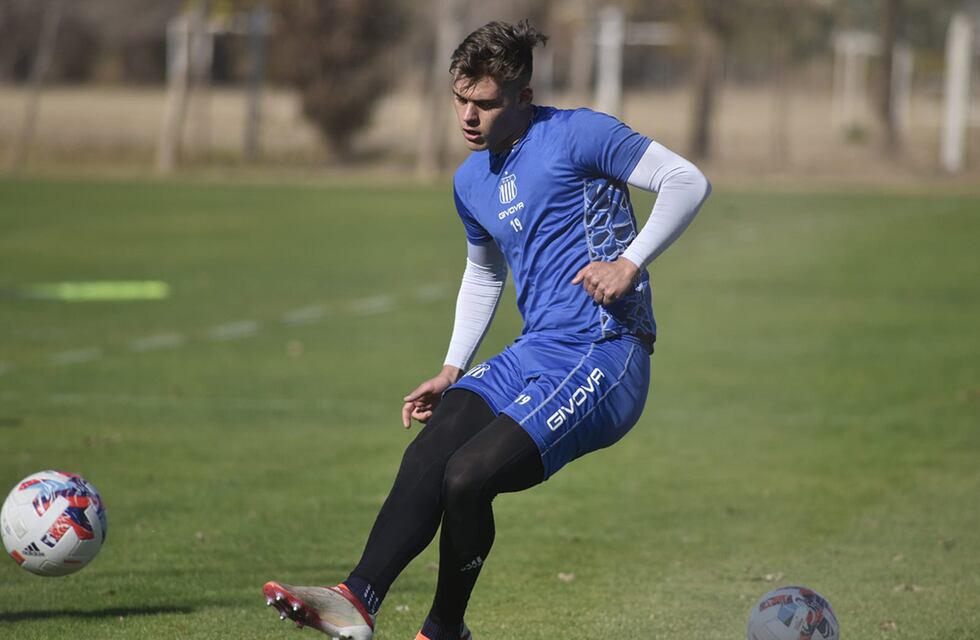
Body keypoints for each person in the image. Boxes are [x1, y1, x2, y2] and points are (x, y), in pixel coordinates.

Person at [263, 19, 710, 640]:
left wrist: (629, 262)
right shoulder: (470, 180)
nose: (468, 116)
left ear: (523, 98)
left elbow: (687, 181)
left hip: (606, 355)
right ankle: (357, 599)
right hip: (534, 351)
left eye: (485, 103)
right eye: (460, 99)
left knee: (468, 476)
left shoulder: (580, 133)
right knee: (432, 447)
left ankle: (445, 628)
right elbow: (482, 276)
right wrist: (452, 368)